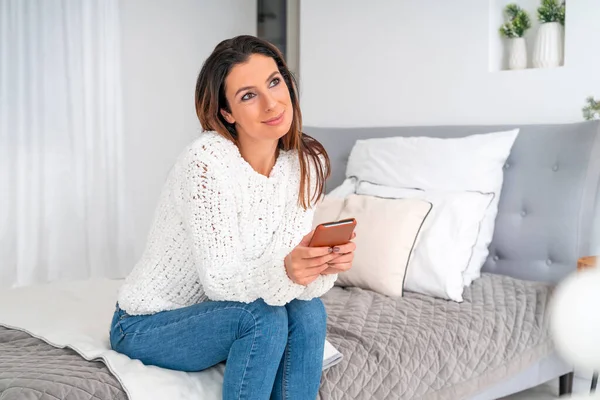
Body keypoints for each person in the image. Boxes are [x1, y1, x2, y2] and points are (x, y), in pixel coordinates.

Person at [109, 35, 356, 400]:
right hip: (147, 324)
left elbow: (290, 281)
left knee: (310, 312)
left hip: (227, 315)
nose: (272, 103)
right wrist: (288, 271)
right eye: (248, 95)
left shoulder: (306, 164)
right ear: (226, 113)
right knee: (260, 320)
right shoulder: (206, 163)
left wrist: (320, 267)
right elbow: (221, 282)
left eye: (274, 82)